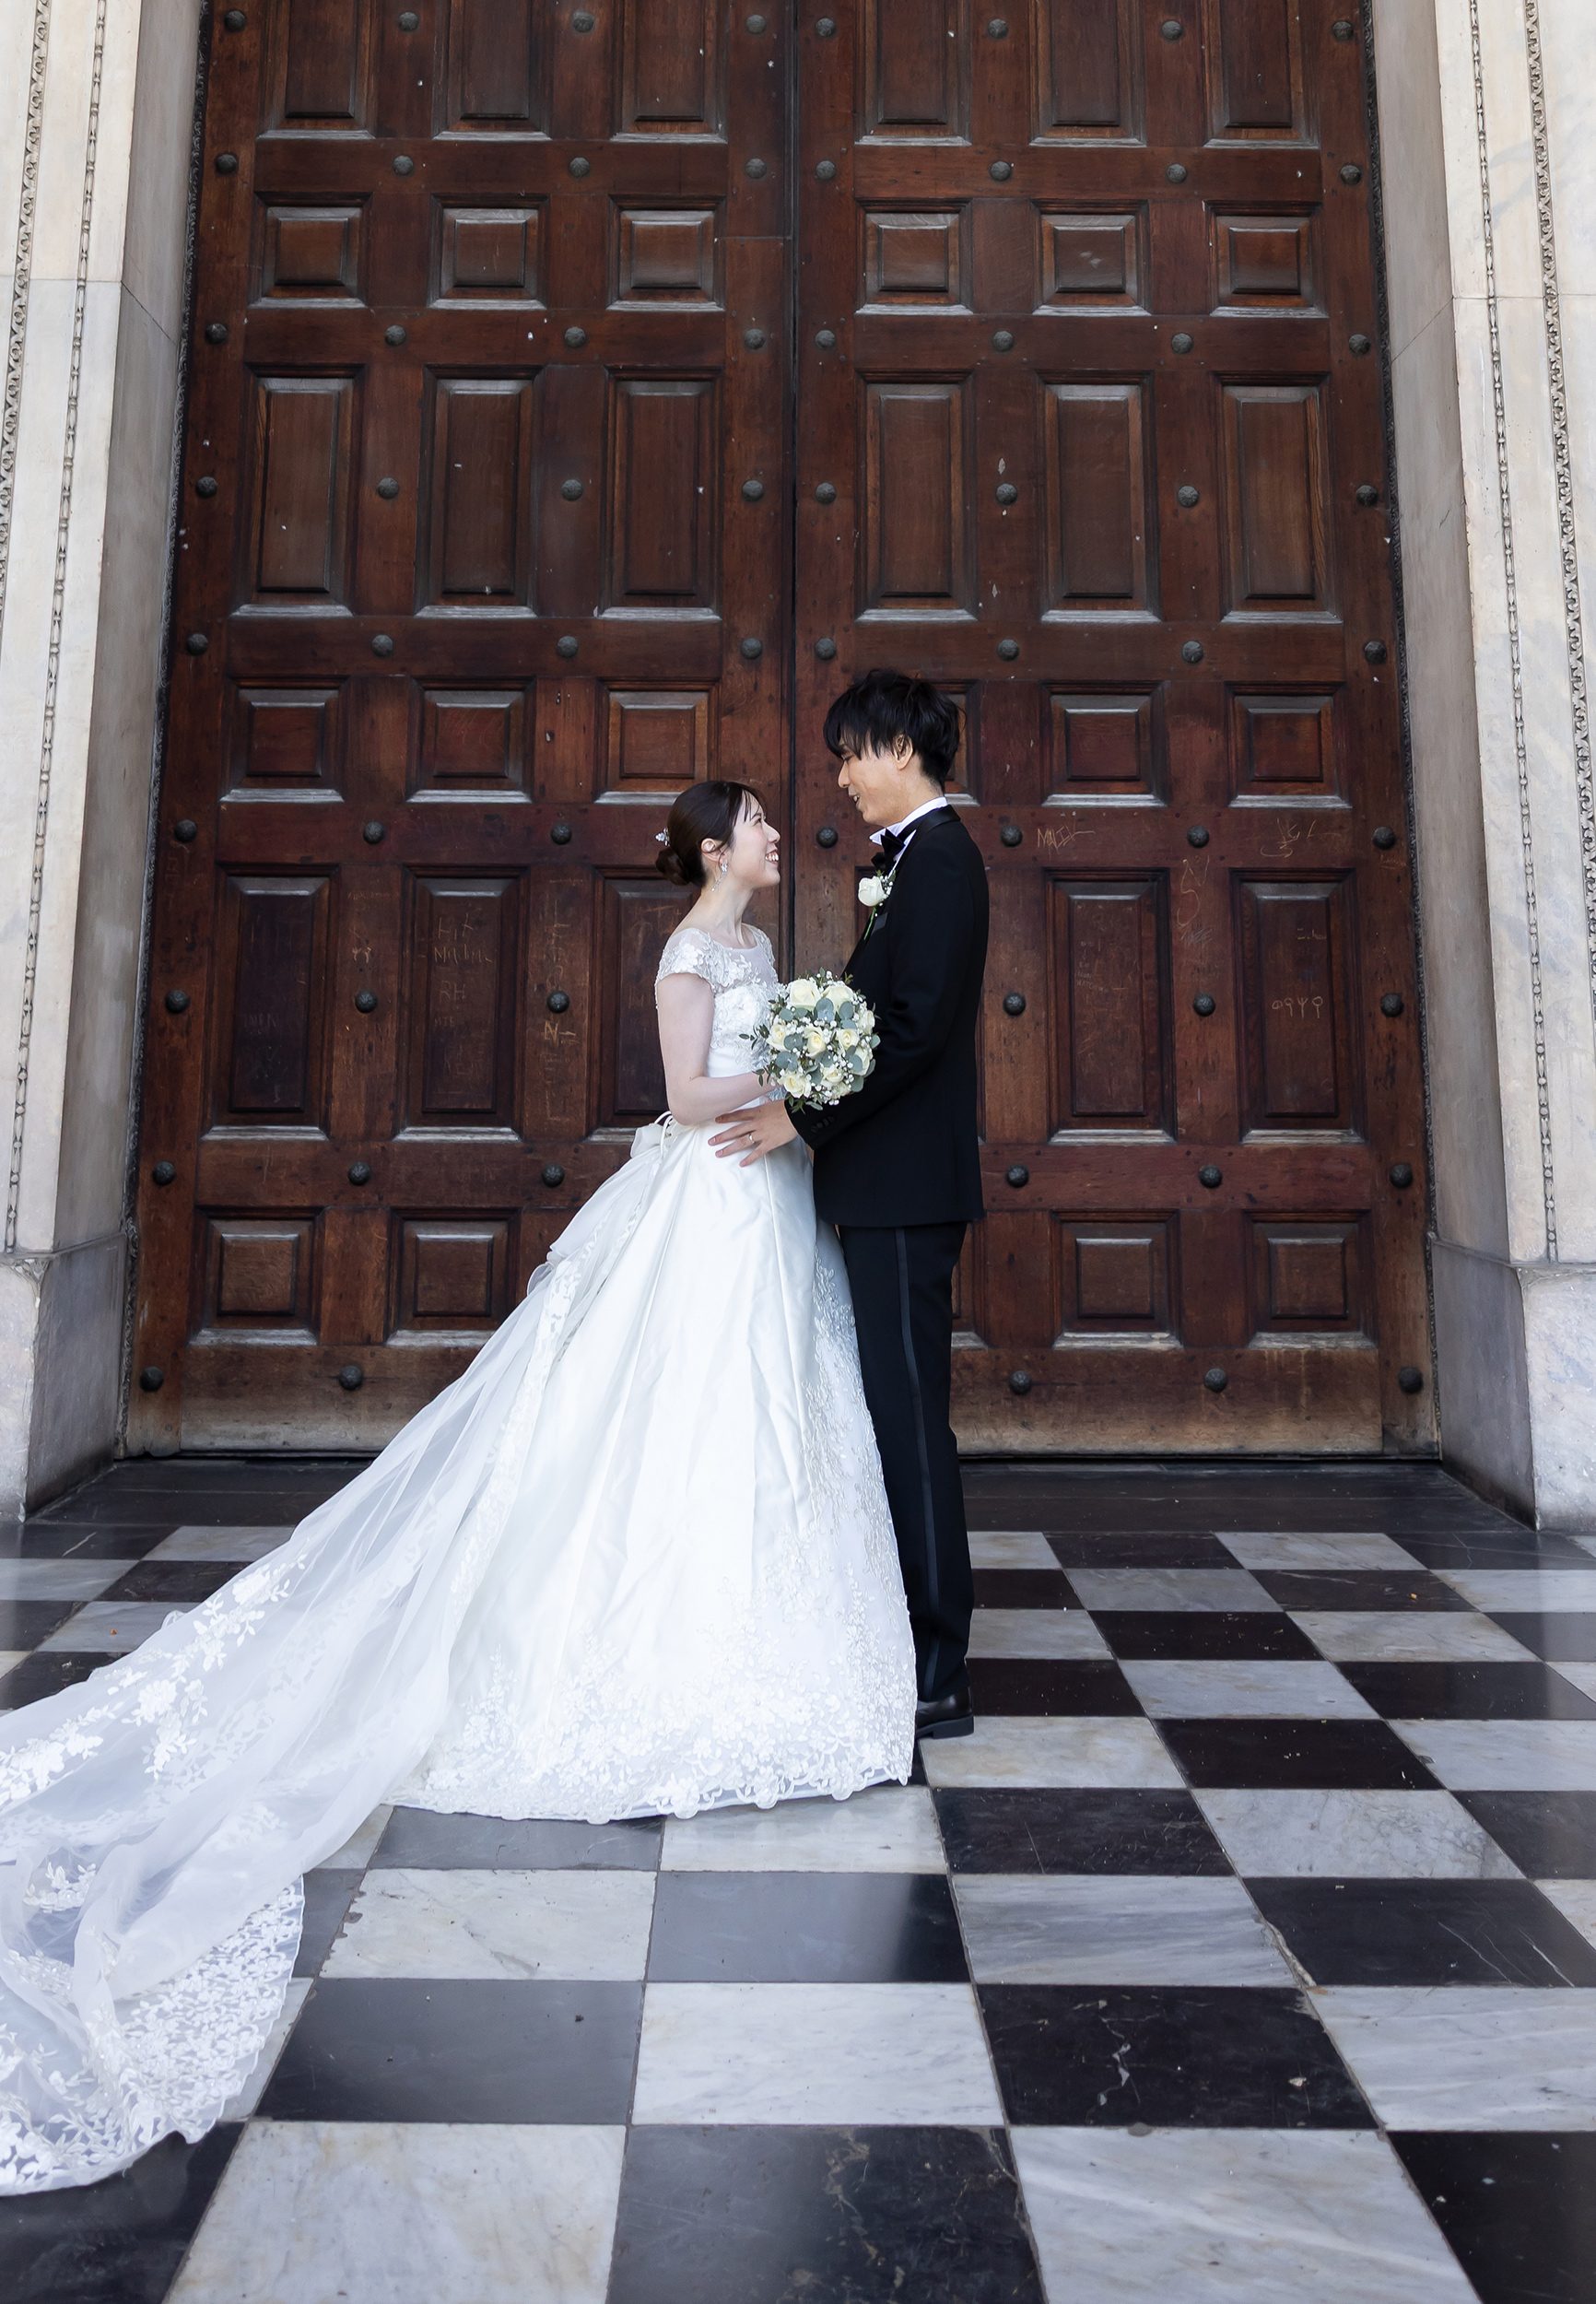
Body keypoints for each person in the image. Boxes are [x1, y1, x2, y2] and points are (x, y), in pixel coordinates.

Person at [0, 780, 915, 2193]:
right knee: (676, 1409)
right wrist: (798, 1084)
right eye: (753, 822)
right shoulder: (690, 951)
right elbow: (685, 1098)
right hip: (712, 1197)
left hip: (768, 1209)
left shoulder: (755, 948)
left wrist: (809, 1070)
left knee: (778, 1410)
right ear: (711, 848)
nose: (774, 835)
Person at [711, 672, 988, 1739]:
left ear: (899, 750)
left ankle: (938, 1666)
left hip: (907, 1190)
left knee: (910, 1420)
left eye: (849, 754)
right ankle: (907, 1634)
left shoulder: (943, 862)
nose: (839, 777)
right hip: (886, 1186)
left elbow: (913, 1031)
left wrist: (802, 1116)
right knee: (891, 1413)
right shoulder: (911, 862)